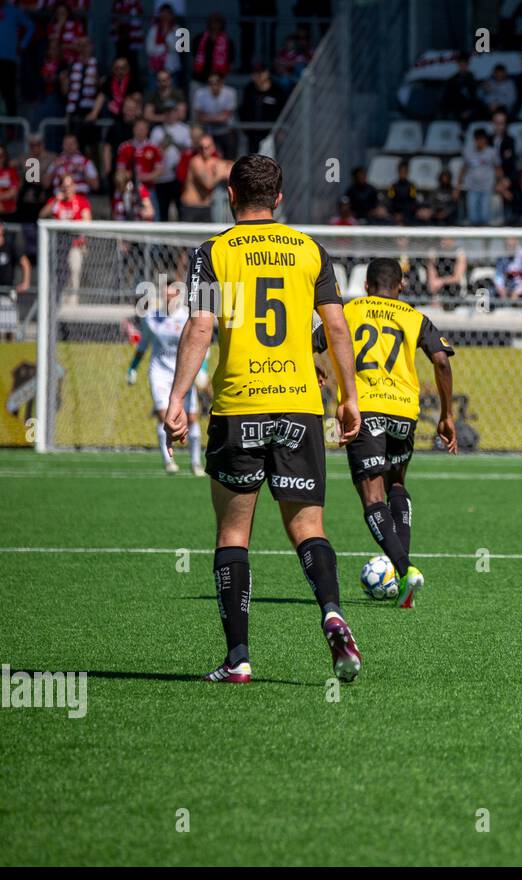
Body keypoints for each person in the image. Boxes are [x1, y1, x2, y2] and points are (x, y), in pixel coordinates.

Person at [164, 154, 363, 685]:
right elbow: (338, 329)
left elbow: (201, 327)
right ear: (279, 199)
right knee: (309, 527)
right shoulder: (310, 250)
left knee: (233, 533)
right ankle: (331, 614)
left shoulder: (212, 253)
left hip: (239, 405)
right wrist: (348, 397)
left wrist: (178, 397)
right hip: (299, 402)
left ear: (229, 195)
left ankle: (238, 659)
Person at [341, 257, 456, 609]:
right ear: (401, 286)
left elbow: (309, 343)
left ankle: (404, 569)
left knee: (372, 497)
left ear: (365, 286)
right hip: (404, 410)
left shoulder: (348, 311)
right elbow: (441, 361)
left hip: (367, 408)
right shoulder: (414, 316)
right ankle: (402, 574)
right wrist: (446, 414)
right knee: (396, 485)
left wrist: (318, 371)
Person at [127, 281, 200, 474]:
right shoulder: (152, 318)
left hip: (184, 372)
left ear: (178, 295)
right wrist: (132, 368)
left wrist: (202, 369)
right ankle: (169, 461)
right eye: (165, 294)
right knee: (163, 415)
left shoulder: (187, 317)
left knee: (192, 418)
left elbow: (200, 345)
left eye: (172, 294)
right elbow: (143, 345)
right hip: (160, 372)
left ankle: (195, 462)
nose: (168, 297)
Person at [179, 134, 231, 222]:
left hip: (206, 207)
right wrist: (220, 174)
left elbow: (231, 168)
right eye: (201, 147)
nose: (204, 150)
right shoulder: (196, 162)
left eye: (207, 147)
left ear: (213, 147)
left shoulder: (215, 162)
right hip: (191, 207)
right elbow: (208, 184)